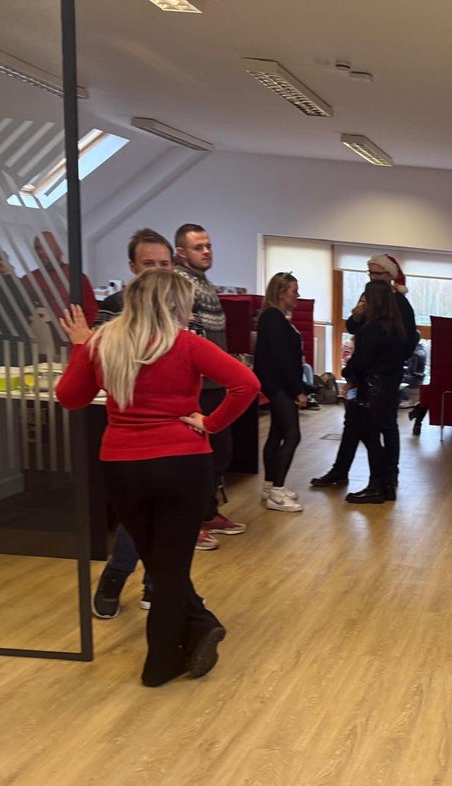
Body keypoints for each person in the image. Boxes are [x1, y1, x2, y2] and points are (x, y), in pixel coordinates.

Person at [55, 269, 259, 686]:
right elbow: (247, 384)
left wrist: (79, 346)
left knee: (159, 562)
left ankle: (200, 624)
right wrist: (212, 423)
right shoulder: (187, 344)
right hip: (183, 463)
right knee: (170, 565)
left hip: (123, 465)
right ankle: (163, 662)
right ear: (174, 306)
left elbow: (70, 398)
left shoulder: (102, 344)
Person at [90, 227, 177, 619]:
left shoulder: (179, 306)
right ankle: (117, 574)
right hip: (130, 429)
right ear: (132, 267)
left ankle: (155, 583)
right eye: (149, 264)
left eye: (164, 264)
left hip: (175, 430)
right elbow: (97, 363)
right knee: (136, 516)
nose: (157, 271)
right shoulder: (113, 306)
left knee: (166, 517)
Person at [311, 254, 411, 487]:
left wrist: (385, 367)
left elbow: (405, 342)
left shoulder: (401, 305)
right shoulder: (371, 297)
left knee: (383, 426)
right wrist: (356, 316)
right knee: (354, 423)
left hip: (382, 378)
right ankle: (341, 470)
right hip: (364, 376)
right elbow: (355, 327)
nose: (373, 277)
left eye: (377, 273)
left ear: (390, 276)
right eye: (371, 273)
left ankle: (388, 474)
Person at [175, 223, 243, 546]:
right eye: (198, 247)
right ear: (181, 253)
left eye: (208, 246)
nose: (206, 251)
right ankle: (189, 524)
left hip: (217, 386)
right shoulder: (179, 284)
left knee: (219, 454)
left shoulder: (206, 284)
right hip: (195, 389)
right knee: (197, 459)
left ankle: (207, 512)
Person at [342, 279, 418, 503]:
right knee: (373, 434)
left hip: (371, 387)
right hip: (387, 386)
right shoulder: (397, 327)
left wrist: (348, 375)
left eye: (366, 297)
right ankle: (385, 484)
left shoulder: (374, 328)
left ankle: (377, 486)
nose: (363, 301)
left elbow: (360, 360)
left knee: (370, 436)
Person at [254, 272, 308, 512]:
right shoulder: (273, 317)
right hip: (278, 386)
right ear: (280, 293)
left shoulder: (276, 317)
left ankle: (269, 486)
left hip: (277, 384)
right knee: (292, 435)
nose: (297, 296)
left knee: (276, 434)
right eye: (294, 291)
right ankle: (276, 491)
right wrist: (298, 391)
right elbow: (282, 358)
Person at [22, 230, 98, 327]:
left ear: (59, 250)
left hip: (70, 338)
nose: (40, 252)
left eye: (45, 247)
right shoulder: (29, 280)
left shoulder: (76, 278)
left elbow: (91, 315)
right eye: (37, 248)